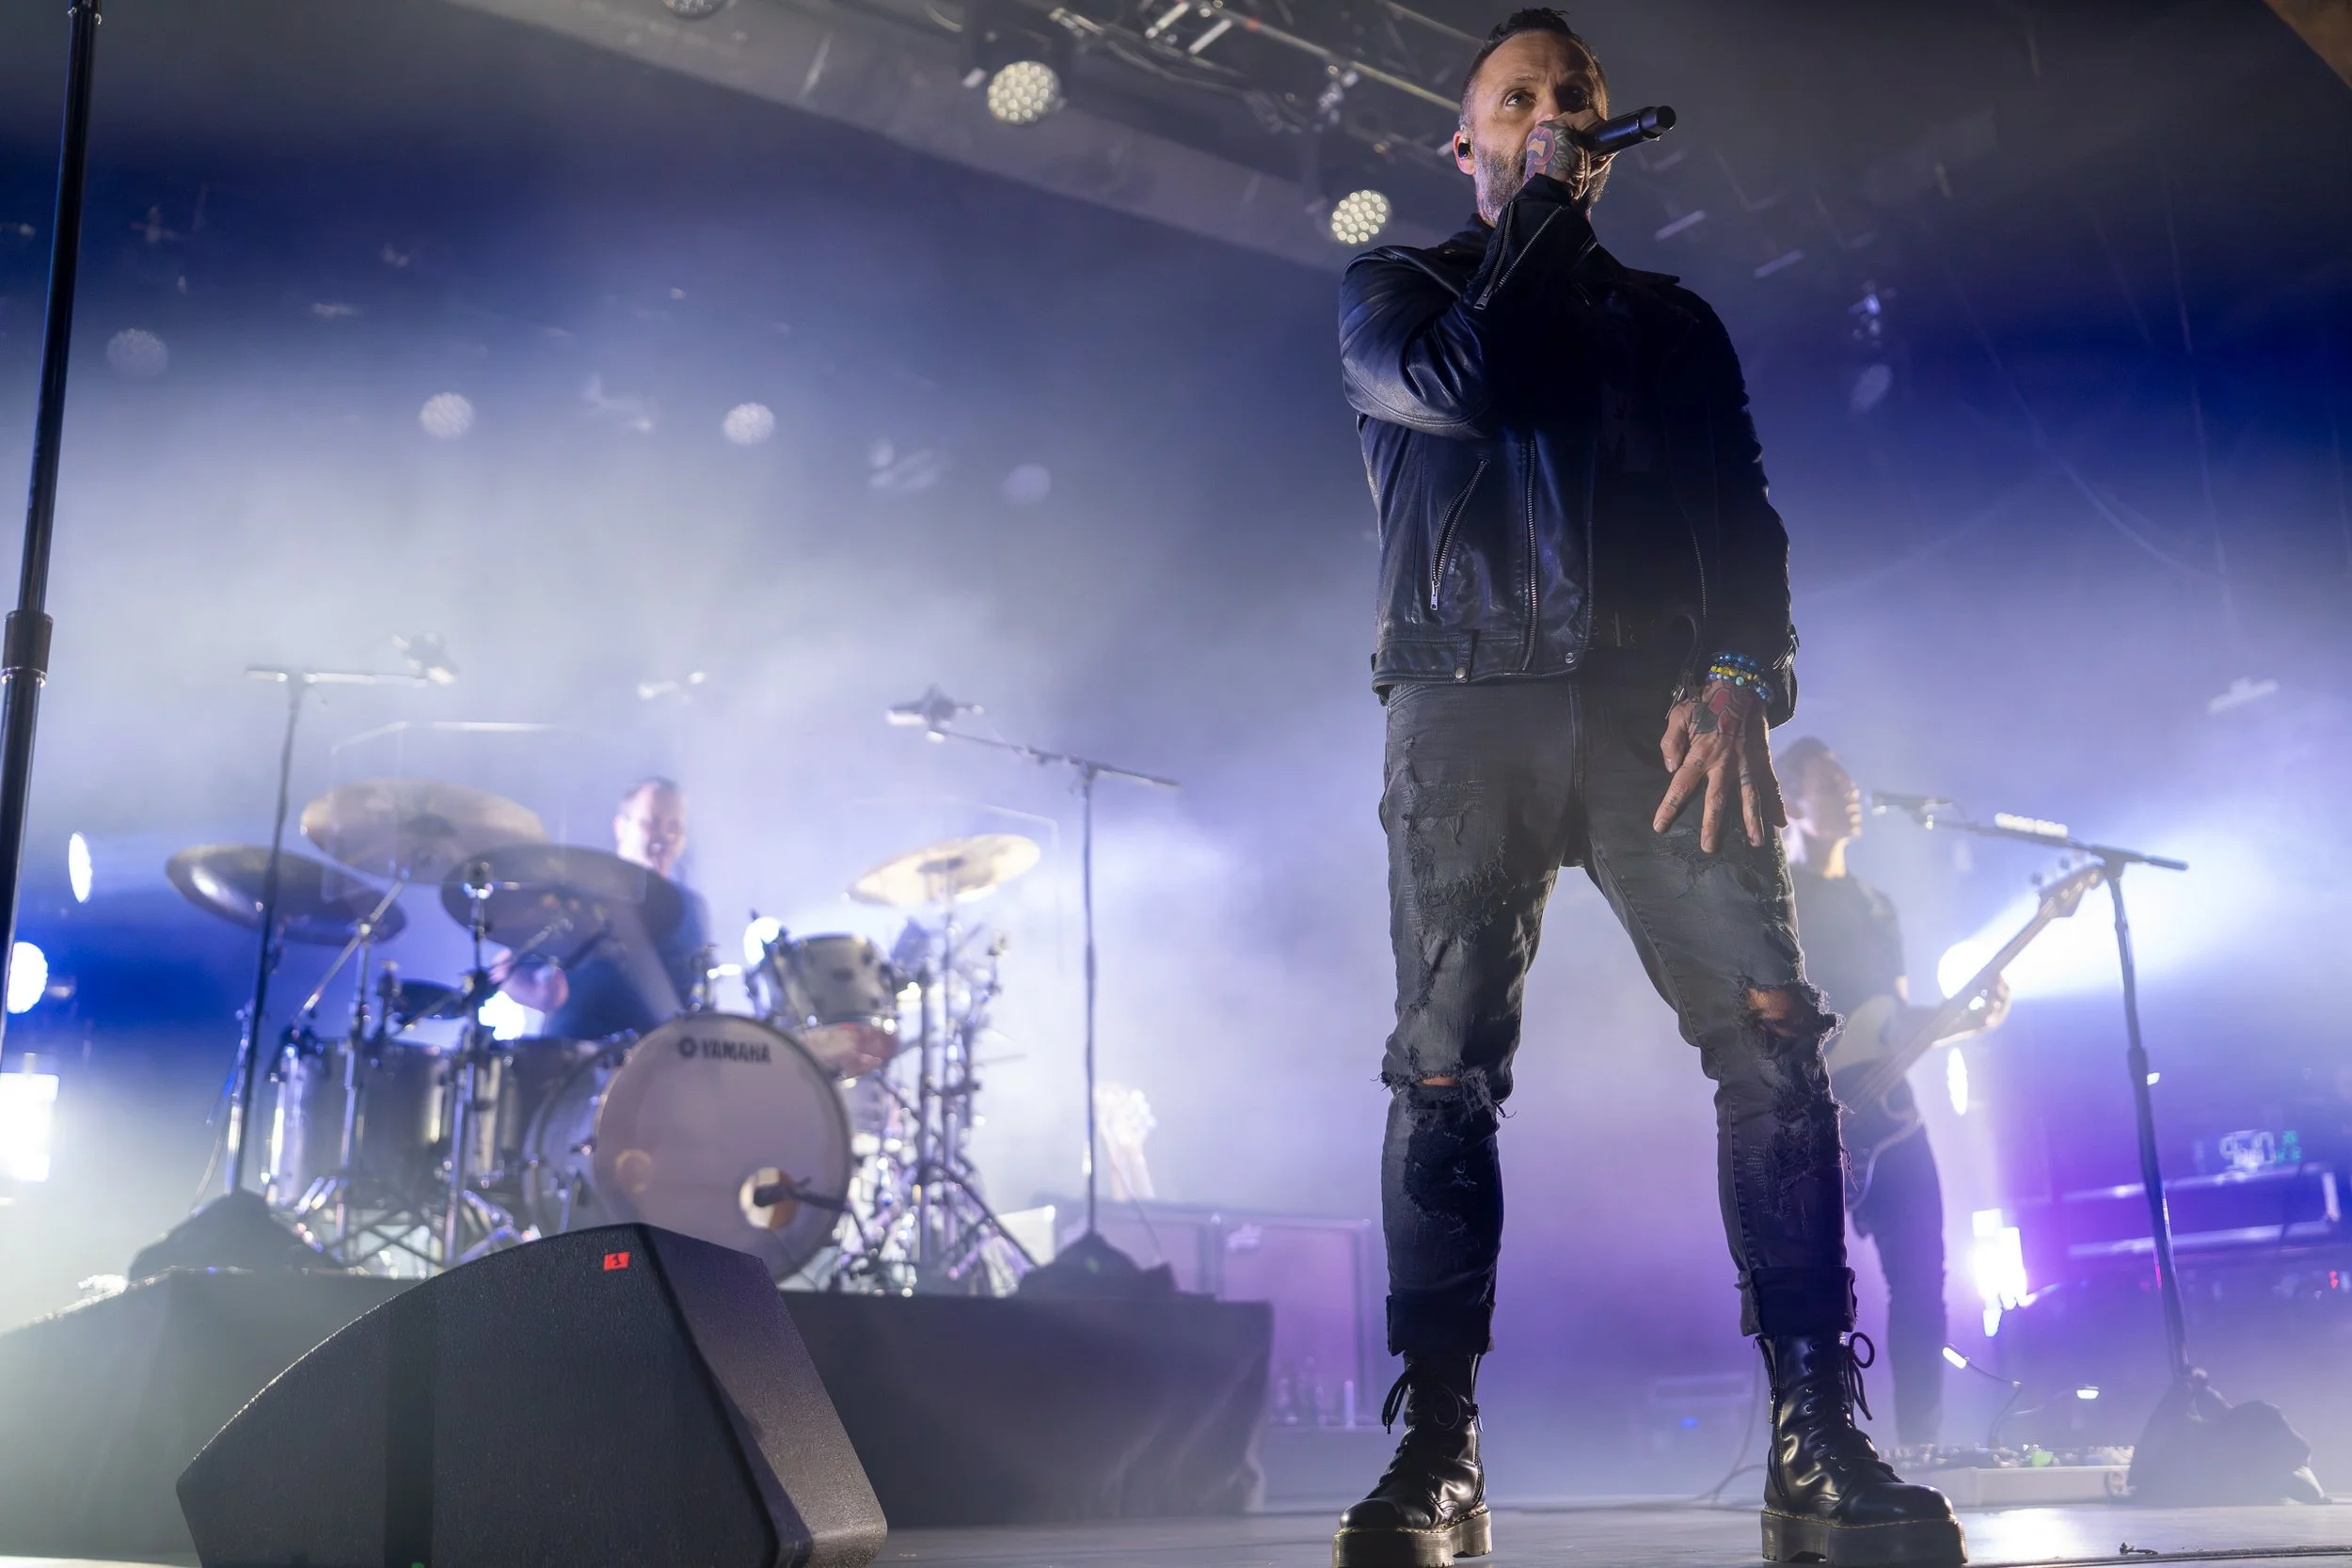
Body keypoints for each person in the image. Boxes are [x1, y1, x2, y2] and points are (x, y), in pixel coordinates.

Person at [1331, 10, 1963, 1564]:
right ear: (1461, 140)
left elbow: (1745, 525)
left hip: (1661, 720)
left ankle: (1817, 1427)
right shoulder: (1393, 295)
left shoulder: (1673, 326)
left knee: (1773, 1045)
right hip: (1464, 709)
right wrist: (1536, 208)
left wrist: (1750, 682)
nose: (1552, 117)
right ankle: (1439, 1445)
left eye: (1577, 103)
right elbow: (1475, 386)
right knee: (1442, 1070)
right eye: (1520, 101)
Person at [1780, 737, 2008, 1455]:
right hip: (1814, 1113)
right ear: (1790, 803)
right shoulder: (1780, 900)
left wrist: (1967, 1018)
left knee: (1923, 1279)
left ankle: (1923, 1447)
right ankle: (1817, 1442)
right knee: (1812, 1287)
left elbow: (1896, 1025)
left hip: (1895, 1114)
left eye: (1849, 780)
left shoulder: (1878, 906)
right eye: (1828, 784)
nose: (1850, 792)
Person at [498, 776, 711, 1039]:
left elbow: (701, 991)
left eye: (675, 826)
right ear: (621, 828)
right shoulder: (581, 891)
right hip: (579, 1059)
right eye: (652, 822)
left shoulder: (693, 907)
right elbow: (505, 970)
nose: (664, 836)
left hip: (663, 1064)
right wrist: (539, 996)